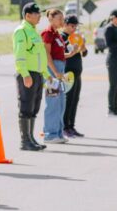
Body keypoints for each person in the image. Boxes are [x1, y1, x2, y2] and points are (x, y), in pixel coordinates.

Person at [13, 2, 51, 151]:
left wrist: (46, 75)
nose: (39, 16)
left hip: (37, 74)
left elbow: (40, 56)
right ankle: (25, 141)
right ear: (28, 15)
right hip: (27, 73)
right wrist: (24, 74)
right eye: (37, 14)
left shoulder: (34, 31)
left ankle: (31, 138)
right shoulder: (21, 31)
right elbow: (20, 54)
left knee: (34, 106)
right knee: (26, 106)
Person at [41, 8, 68, 144]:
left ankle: (58, 132)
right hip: (52, 71)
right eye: (59, 19)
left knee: (61, 102)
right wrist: (55, 72)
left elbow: (60, 54)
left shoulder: (58, 34)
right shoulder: (48, 34)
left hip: (60, 69)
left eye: (62, 19)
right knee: (53, 102)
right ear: (51, 19)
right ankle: (50, 134)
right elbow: (47, 55)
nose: (62, 21)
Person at [61, 14, 86, 138]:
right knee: (68, 99)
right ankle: (64, 126)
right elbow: (63, 53)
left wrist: (83, 46)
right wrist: (73, 50)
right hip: (68, 72)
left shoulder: (76, 37)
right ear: (65, 24)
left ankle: (71, 126)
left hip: (77, 72)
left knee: (75, 99)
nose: (74, 28)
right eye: (72, 26)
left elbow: (84, 53)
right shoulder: (62, 37)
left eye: (76, 26)